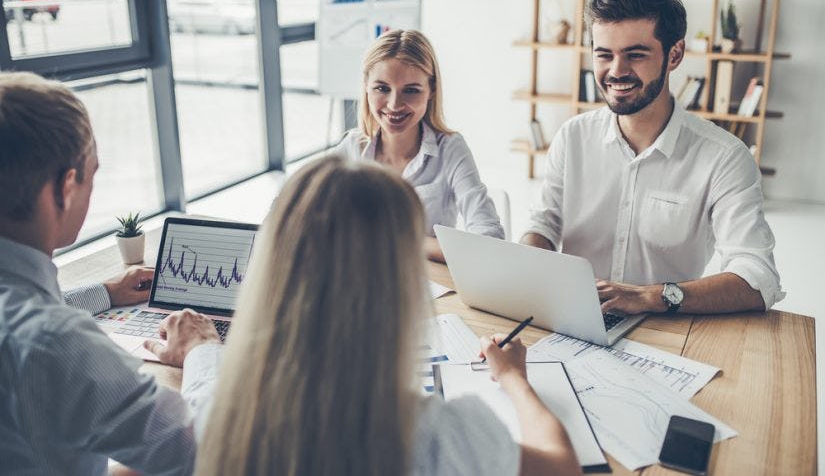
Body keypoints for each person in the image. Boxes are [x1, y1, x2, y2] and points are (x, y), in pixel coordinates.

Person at [192, 156, 581, 476]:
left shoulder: (221, 413)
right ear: (398, 287)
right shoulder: (434, 437)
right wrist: (514, 380)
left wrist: (201, 350)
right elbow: (561, 467)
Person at [0, 71, 221, 475]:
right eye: (93, 173)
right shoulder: (57, 344)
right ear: (66, 187)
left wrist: (104, 293)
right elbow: (210, 448)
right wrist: (201, 350)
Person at [521, 0, 784, 315]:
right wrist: (526, 269)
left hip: (666, 326)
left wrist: (651, 297)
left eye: (636, 55)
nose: (616, 71)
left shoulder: (724, 158)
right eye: (604, 55)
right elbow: (542, 225)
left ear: (674, 54)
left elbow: (758, 278)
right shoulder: (572, 137)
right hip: (574, 320)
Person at [334, 29, 504, 262]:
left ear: (431, 90)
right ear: (366, 86)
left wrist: (399, 239)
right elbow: (295, 206)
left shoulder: (450, 149)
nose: (394, 105)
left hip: (427, 286)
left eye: (411, 91)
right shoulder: (353, 147)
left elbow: (490, 241)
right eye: (382, 88)